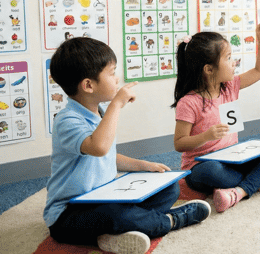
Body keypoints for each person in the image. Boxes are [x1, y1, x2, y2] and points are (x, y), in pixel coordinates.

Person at [44, 37, 210, 254]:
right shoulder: (67, 120)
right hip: (68, 215)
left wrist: (143, 165)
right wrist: (117, 103)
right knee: (116, 215)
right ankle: (170, 221)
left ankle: (112, 236)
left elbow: (107, 156)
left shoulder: (98, 113)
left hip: (105, 196)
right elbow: (99, 147)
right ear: (88, 85)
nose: (117, 78)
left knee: (168, 189)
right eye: (111, 73)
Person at [172, 25, 260, 214]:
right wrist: (206, 136)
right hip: (202, 166)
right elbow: (179, 144)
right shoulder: (189, 102)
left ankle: (239, 191)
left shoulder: (229, 87)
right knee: (213, 172)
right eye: (228, 58)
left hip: (233, 159)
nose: (234, 62)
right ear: (209, 69)